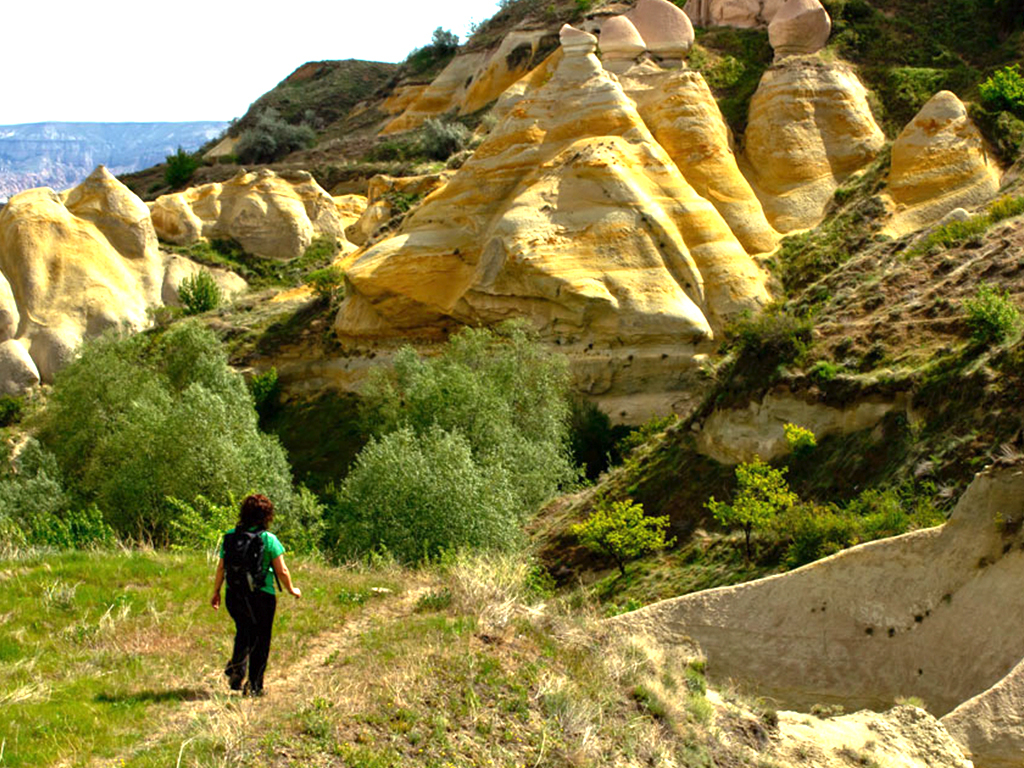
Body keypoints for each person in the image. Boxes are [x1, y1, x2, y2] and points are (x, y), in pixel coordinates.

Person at [210, 493, 301, 697]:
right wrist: (292, 589)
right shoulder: (269, 539)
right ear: (266, 515)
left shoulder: (230, 537)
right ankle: (254, 686)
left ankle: (236, 668)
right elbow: (282, 571)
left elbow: (221, 568)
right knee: (261, 639)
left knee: (244, 631)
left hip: (234, 594)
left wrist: (216, 592)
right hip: (262, 597)